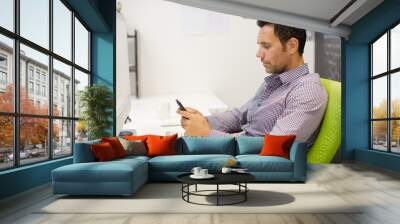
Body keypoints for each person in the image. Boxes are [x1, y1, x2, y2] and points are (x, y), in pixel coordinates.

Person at [177, 21, 328, 145]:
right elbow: (240, 116)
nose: (258, 54)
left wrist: (206, 133)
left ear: (292, 46)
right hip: (238, 149)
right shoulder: (276, 80)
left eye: (266, 46)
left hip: (252, 164)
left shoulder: (307, 91)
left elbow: (274, 147)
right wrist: (203, 122)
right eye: (259, 45)